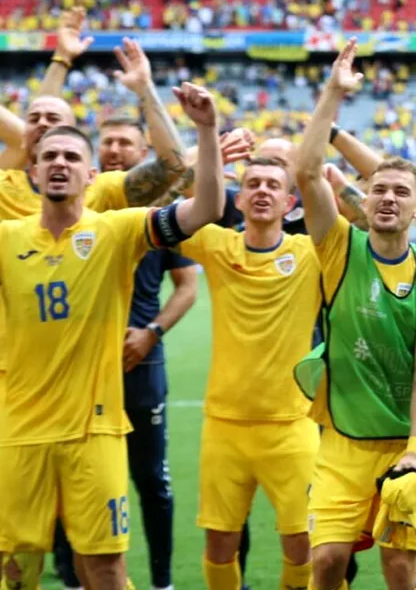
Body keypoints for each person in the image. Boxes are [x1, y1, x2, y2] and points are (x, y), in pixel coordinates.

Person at [0, 83, 225, 590]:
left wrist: (207, 131)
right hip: (18, 434)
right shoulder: (6, 239)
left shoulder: (118, 230)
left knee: (105, 570)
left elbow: (204, 209)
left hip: (95, 434)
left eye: (71, 156)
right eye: (49, 155)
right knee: (15, 571)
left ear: (91, 173)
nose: (59, 163)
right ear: (31, 170)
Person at [295, 39, 416, 590]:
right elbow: (308, 171)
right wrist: (334, 95)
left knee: (399, 569)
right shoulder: (340, 248)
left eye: (400, 193)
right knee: (326, 563)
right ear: (362, 201)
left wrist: (414, 451)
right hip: (342, 442)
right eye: (378, 189)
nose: (387, 198)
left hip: (405, 444)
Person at [52, 117, 203, 590]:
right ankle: (72, 578)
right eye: (108, 141)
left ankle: (161, 581)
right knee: (66, 478)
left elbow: (187, 287)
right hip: (78, 368)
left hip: (139, 363)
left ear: (143, 152)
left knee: (151, 480)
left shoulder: (158, 214)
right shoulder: (78, 211)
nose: (115, 148)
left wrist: (152, 333)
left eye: (126, 142)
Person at [174, 154, 327, 590]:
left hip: (291, 426)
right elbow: (164, 210)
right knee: (220, 544)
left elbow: (362, 225)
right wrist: (204, 157)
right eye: (253, 184)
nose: (262, 190)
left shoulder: (310, 253)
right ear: (237, 200)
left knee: (302, 542)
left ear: (290, 202)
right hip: (224, 426)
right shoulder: (216, 244)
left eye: (272, 185)